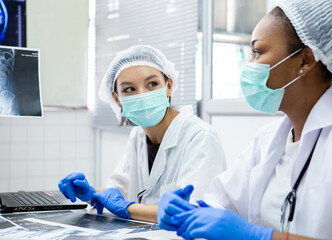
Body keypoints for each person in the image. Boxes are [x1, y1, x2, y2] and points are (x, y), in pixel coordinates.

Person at [157, 0, 332, 239]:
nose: (249, 65)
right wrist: (186, 210)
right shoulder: (270, 139)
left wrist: (259, 236)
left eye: (257, 52)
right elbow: (223, 202)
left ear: (304, 60)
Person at [58, 45, 226, 222]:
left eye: (152, 84)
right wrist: (90, 193)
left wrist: (128, 208)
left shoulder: (200, 137)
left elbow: (192, 212)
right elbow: (117, 193)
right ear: (117, 98)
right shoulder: (138, 136)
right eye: (129, 89)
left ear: (168, 85)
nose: (142, 95)